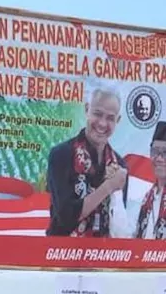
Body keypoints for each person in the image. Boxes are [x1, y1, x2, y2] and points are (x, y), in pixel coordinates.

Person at [45, 87, 129, 237]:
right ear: (87, 110)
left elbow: (118, 223)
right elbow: (66, 217)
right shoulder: (61, 155)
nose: (102, 124)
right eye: (97, 114)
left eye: (110, 118)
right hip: (61, 255)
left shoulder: (120, 166)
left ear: (118, 120)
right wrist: (108, 186)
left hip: (103, 256)